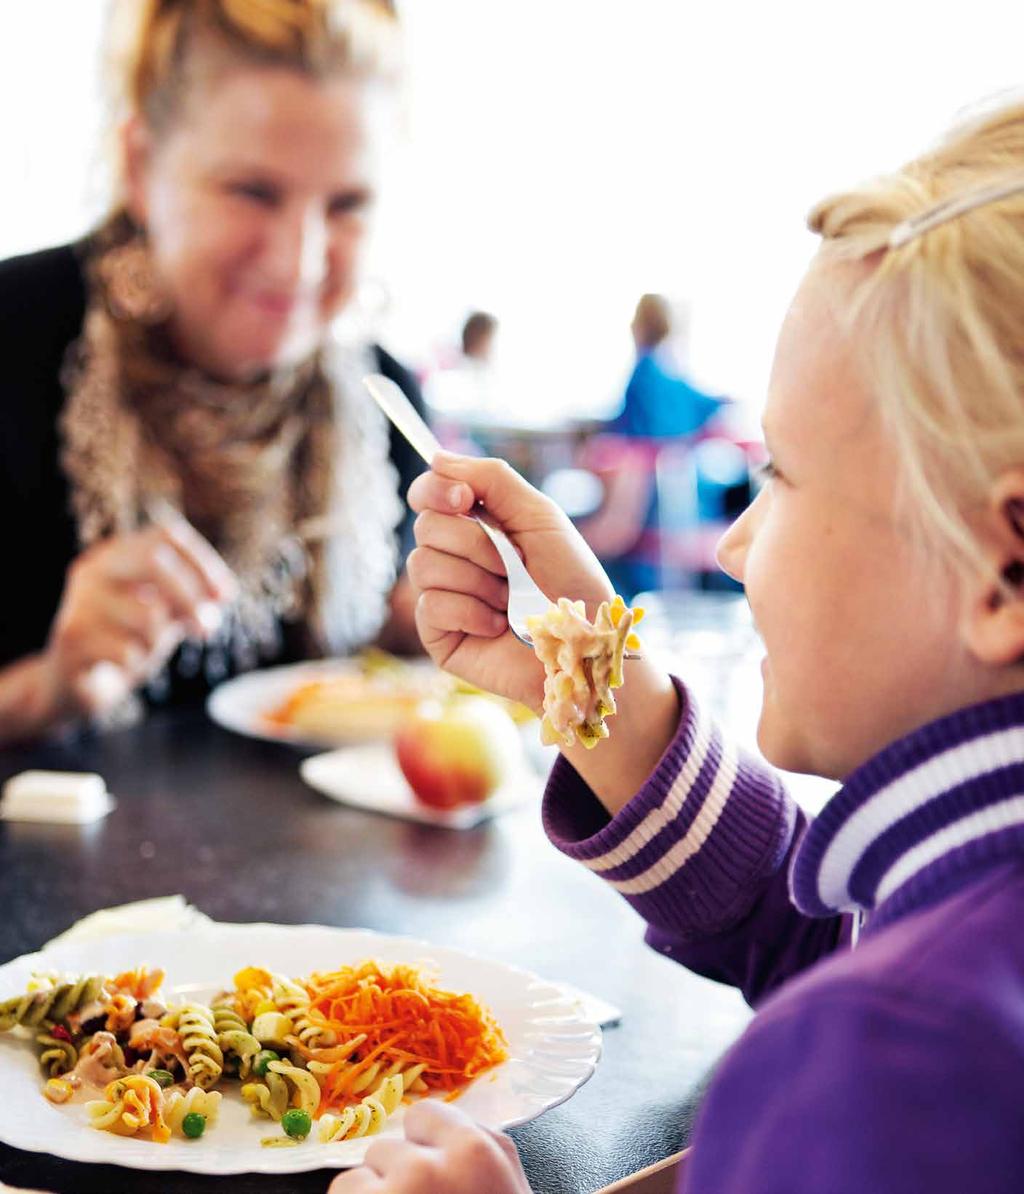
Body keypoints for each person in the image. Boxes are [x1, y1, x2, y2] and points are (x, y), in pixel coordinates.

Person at [330, 99, 1024, 1192]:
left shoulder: (895, 1050)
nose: (739, 542)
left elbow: (854, 1005)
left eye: (779, 476)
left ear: (1004, 572)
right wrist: (597, 682)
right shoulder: (944, 944)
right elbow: (816, 935)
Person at [0, 0, 427, 745]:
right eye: (253, 192)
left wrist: (419, 636)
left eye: (348, 204)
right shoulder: (14, 336)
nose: (299, 261)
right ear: (140, 166)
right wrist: (45, 689)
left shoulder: (383, 407)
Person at [610, 293, 723, 439]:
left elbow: (633, 426)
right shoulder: (668, 369)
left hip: (650, 452)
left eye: (635, 320)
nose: (631, 325)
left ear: (642, 327)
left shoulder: (645, 374)